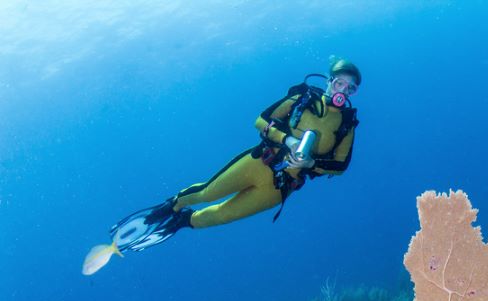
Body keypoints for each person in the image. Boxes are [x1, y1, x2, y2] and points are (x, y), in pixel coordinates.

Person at [82, 57, 361, 275]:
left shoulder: (347, 124)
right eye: (340, 84)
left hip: (280, 187)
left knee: (221, 216)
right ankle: (171, 207)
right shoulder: (303, 99)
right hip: (259, 162)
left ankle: (182, 223)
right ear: (329, 80)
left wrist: (311, 162)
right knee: (207, 193)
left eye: (351, 88)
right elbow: (261, 121)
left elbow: (340, 166)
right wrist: (287, 140)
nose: (343, 91)